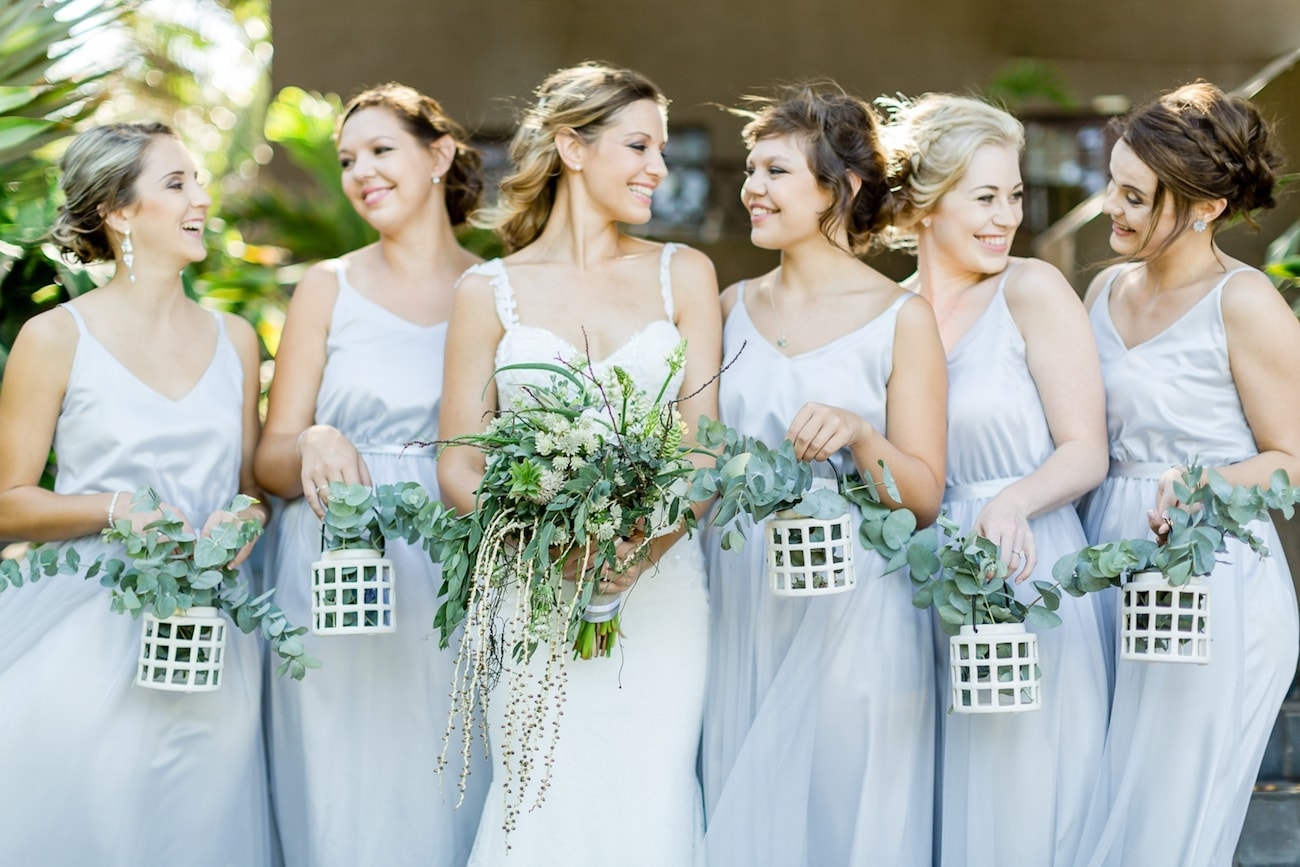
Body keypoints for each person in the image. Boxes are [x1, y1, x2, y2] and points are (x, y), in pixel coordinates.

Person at [437, 61, 721, 865]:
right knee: (539, 796)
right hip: (529, 596)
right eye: (639, 145)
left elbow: (705, 447)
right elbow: (459, 465)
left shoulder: (684, 274)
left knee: (649, 797)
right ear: (571, 146)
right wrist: (548, 543)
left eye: (661, 150)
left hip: (662, 592)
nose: (658, 168)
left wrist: (643, 546)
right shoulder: (486, 290)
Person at [0, 123, 274, 864]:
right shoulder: (55, 337)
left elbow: (251, 486)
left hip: (212, 637)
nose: (201, 198)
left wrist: (245, 517)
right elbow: (8, 502)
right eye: (177, 182)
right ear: (120, 212)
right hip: (87, 629)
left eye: (199, 181)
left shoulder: (237, 339)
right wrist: (116, 508)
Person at [700, 82, 947, 867]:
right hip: (738, 597)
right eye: (750, 169)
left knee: (848, 813)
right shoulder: (727, 305)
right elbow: (697, 460)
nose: (751, 188)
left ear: (838, 190)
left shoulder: (902, 318)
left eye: (774, 171)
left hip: (855, 609)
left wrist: (862, 434)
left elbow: (925, 497)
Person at [253, 83, 488, 867]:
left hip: (456, 558)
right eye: (348, 159)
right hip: (336, 566)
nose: (361, 173)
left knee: (450, 767)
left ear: (440, 154)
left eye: (382, 150)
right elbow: (269, 458)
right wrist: (315, 437)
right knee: (342, 776)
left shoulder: (497, 288)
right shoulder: (328, 285)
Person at [882, 93, 1111, 866]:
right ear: (924, 204)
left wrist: (1012, 503)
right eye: (985, 197)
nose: (1005, 216)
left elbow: (1087, 450)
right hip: (918, 592)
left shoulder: (1031, 290)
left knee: (1024, 803)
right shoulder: (887, 314)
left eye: (1014, 195)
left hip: (1028, 567)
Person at [1075, 80, 1300, 867]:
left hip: (1209, 582)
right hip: (1107, 564)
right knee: (1095, 806)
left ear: (1205, 207)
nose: (1113, 207)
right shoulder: (1102, 289)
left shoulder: (1245, 302)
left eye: (1136, 195)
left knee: (1164, 829)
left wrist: (1206, 484)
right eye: (1112, 183)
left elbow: (1294, 461)